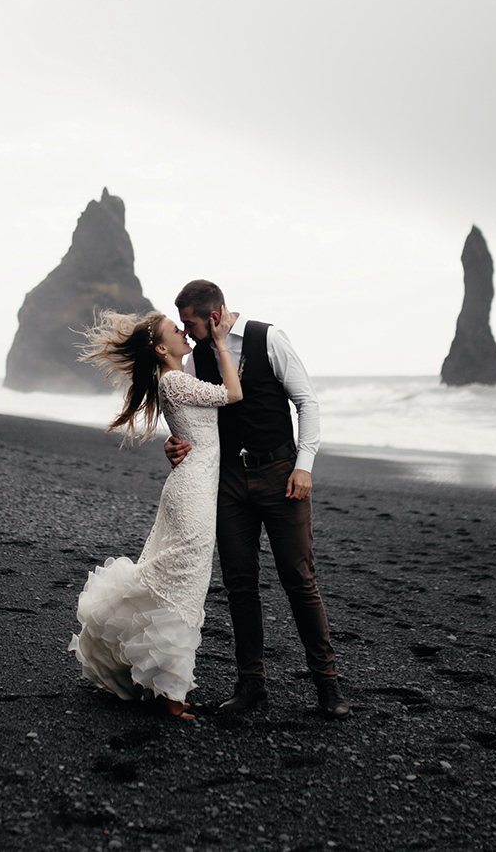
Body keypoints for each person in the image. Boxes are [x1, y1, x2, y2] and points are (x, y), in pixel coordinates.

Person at [165, 279, 350, 718]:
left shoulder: (268, 338)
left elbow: (307, 402)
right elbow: (194, 415)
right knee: (239, 584)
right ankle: (251, 686)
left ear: (213, 316)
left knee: (298, 579)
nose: (185, 333)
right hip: (228, 481)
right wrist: (174, 444)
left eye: (190, 323)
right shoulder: (197, 357)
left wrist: (304, 465)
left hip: (281, 474)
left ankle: (328, 687)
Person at [67, 308, 242, 719]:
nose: (184, 333)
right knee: (184, 589)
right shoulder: (176, 379)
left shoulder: (174, 379)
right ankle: (171, 695)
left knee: (177, 585)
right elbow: (233, 395)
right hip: (193, 494)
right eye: (175, 330)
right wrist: (219, 342)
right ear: (162, 348)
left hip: (191, 488)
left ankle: (164, 685)